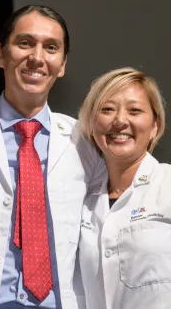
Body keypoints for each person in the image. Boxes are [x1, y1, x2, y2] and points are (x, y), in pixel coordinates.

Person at [0, 4, 105, 309]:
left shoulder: (87, 141)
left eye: (51, 47)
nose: (37, 57)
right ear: (0, 55)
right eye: (25, 43)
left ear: (62, 64)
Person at [78, 67, 171, 309]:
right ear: (90, 123)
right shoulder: (80, 200)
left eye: (135, 110)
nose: (119, 121)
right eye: (107, 109)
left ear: (154, 126)